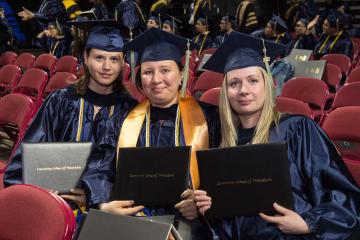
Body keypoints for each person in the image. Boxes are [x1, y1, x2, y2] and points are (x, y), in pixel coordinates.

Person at [194, 31, 360, 239]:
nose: (243, 90)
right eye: (234, 83)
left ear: (268, 86)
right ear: (225, 92)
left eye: (253, 81)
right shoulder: (221, 141)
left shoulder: (299, 130)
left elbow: (345, 197)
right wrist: (208, 206)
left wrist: (308, 222)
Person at [82, 27, 220, 239]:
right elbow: (100, 167)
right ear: (140, 80)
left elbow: (222, 174)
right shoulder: (123, 119)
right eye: (148, 72)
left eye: (165, 70)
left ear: (181, 75)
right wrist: (104, 204)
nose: (156, 79)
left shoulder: (209, 118)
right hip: (134, 220)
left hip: (191, 223)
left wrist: (202, 201)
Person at [4, 20, 137, 207]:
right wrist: (39, 187)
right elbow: (31, 150)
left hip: (104, 209)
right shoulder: (62, 100)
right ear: (86, 57)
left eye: (114, 59)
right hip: (53, 203)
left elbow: (130, 172)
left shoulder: (130, 110)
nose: (107, 67)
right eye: (99, 58)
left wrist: (95, 198)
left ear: (122, 62)